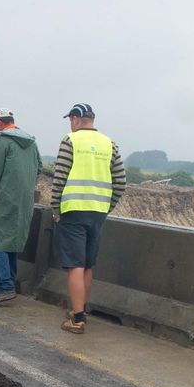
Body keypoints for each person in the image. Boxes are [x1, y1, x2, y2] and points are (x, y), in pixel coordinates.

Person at [50, 103, 126, 333]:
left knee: (75, 264)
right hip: (98, 212)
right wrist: (106, 207)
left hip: (73, 210)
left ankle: (78, 319)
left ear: (75, 119)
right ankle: (79, 309)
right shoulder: (109, 144)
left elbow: (60, 177)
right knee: (88, 265)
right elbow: (120, 182)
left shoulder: (70, 141)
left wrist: (56, 208)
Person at [0, 108, 41, 306]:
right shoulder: (31, 142)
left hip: (5, 197)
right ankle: (9, 284)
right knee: (13, 241)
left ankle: (4, 286)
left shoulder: (1, 140)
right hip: (25, 200)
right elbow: (39, 167)